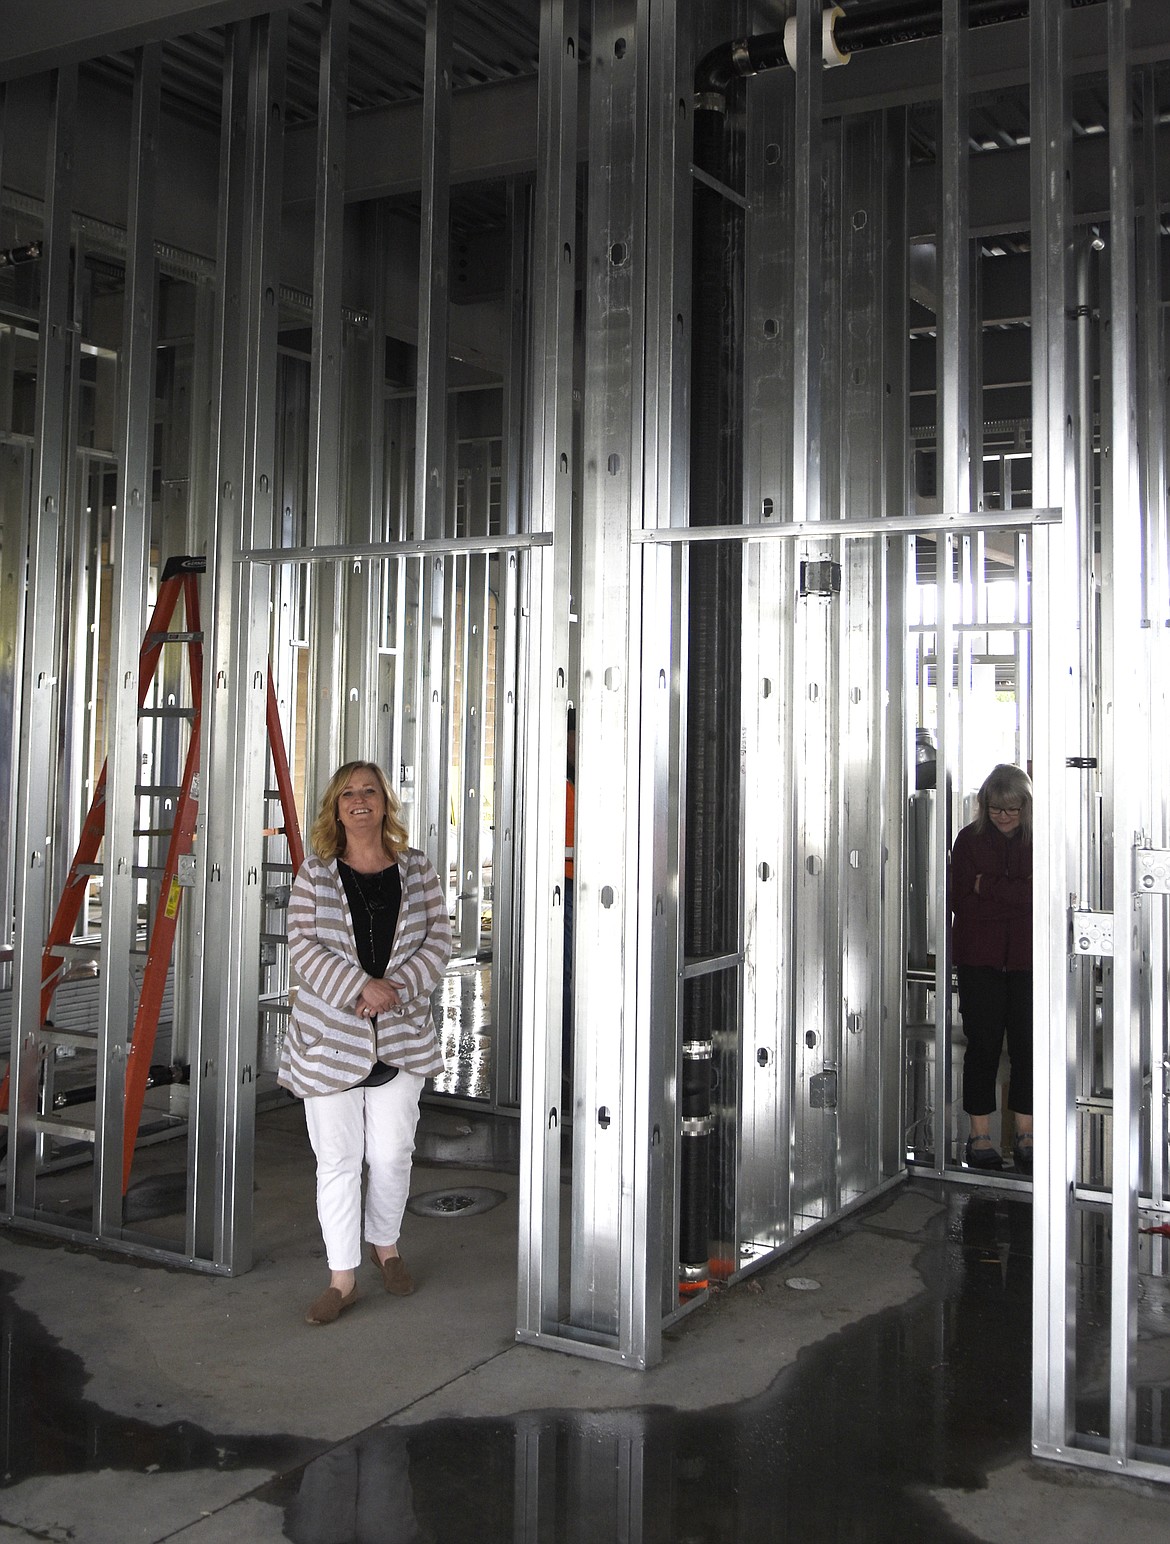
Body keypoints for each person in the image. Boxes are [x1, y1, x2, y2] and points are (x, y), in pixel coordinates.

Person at [280, 760, 452, 1325]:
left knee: (390, 1154)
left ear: (385, 803)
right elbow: (302, 947)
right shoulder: (316, 873)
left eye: (370, 791)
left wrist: (394, 990)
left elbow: (440, 939)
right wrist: (361, 988)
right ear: (336, 806)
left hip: (401, 1035)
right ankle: (342, 1277)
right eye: (348, 793)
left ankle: (387, 1246)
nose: (360, 801)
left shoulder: (418, 870)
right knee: (338, 1160)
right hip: (330, 1039)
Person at [950, 763, 1034, 1174]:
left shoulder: (1040, 841)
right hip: (979, 961)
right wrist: (1012, 895)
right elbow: (959, 900)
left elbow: (1038, 898)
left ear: (1026, 807)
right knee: (981, 1047)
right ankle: (979, 1135)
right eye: (995, 808)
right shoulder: (968, 840)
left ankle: (1026, 1134)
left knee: (1028, 1048)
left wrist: (990, 887)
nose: (1002, 816)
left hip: (1027, 962)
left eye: (1011, 809)